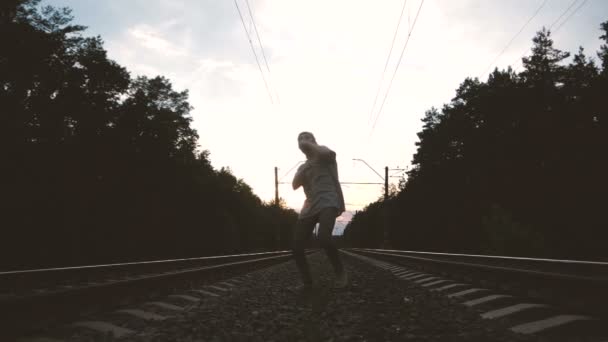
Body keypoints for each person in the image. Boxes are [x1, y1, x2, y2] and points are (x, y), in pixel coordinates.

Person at [292, 131, 347, 291]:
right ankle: (307, 282)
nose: (303, 140)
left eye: (307, 137)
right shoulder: (303, 166)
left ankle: (340, 272)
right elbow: (295, 185)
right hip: (309, 206)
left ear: (315, 141)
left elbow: (324, 152)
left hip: (328, 200)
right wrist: (304, 168)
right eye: (300, 139)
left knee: (324, 238)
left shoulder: (324, 154)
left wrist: (311, 145)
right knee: (296, 246)